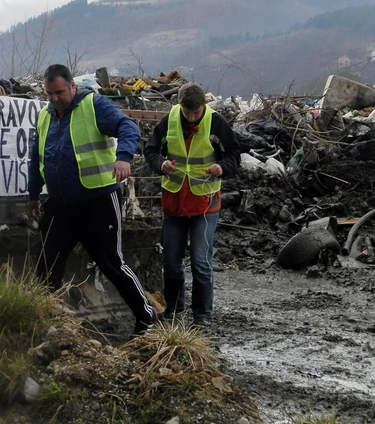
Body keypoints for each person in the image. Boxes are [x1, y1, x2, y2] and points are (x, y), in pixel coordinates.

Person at [28, 64, 157, 335]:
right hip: (61, 204)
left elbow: (128, 127)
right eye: (49, 93)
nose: (54, 99)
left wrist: (123, 158)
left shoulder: (93, 105)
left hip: (97, 200)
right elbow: (37, 158)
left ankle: (146, 316)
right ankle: (43, 319)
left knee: (111, 262)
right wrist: (32, 194)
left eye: (59, 92)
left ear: (72, 87)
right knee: (47, 262)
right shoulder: (44, 116)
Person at [144, 82, 238, 328]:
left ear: (204, 105)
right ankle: (174, 309)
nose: (191, 117)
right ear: (180, 106)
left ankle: (202, 316)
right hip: (174, 202)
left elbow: (233, 157)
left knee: (200, 262)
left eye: (196, 112)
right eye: (188, 112)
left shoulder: (217, 123)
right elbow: (151, 150)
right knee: (172, 263)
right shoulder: (170, 120)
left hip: (205, 205)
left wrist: (222, 168)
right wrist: (160, 164)